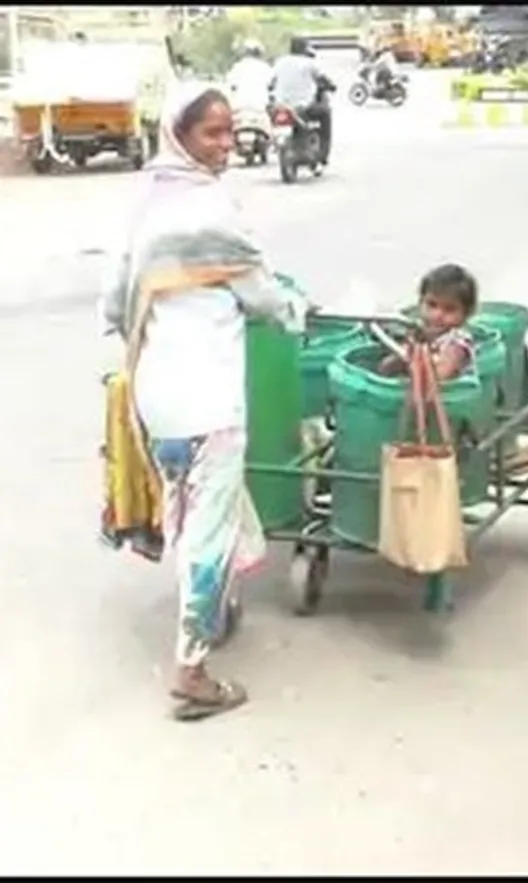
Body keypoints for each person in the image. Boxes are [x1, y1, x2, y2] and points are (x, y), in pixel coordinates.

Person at [99, 82, 311, 722]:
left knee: (186, 517)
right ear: (180, 136)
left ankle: (208, 612)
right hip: (210, 401)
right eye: (210, 134)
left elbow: (115, 300)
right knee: (207, 534)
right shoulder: (214, 209)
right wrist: (299, 311)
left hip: (156, 395)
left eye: (227, 132)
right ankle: (191, 672)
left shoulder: (143, 202)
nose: (224, 146)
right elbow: (267, 299)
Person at [378, 263, 478, 381]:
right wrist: (397, 359)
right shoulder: (420, 332)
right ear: (421, 302)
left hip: (451, 396)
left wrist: (413, 357)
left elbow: (440, 375)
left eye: (449, 309)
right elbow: (390, 364)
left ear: (466, 313)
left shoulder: (456, 342)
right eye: (432, 305)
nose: (437, 315)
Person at [269, 36, 334, 166]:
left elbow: (270, 83)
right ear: (305, 49)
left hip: (281, 106)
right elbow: (323, 79)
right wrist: (331, 86)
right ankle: (323, 153)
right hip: (303, 107)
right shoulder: (309, 63)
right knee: (326, 113)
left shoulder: (280, 62)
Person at [226, 39, 273, 114]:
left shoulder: (237, 67)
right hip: (260, 109)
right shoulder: (266, 68)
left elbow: (231, 86)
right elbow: (272, 86)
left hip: (238, 108)